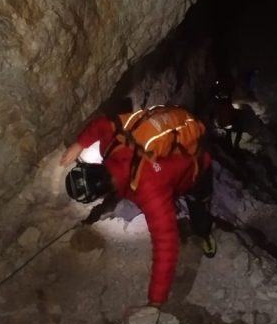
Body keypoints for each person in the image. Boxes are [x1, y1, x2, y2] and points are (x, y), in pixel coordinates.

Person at [59, 111, 216, 307]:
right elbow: (104, 124)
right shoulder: (111, 146)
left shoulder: (149, 191)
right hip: (170, 161)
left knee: (199, 210)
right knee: (166, 195)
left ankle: (205, 232)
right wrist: (79, 144)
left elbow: (166, 245)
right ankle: (178, 201)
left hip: (196, 168)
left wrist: (156, 300)